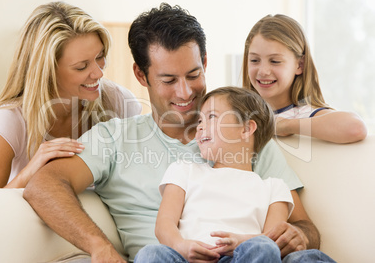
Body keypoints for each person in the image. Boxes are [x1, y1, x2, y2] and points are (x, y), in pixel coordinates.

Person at [24, 3, 320, 262]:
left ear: (205, 63)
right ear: (141, 75)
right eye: (168, 80)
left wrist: (298, 236)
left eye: (193, 75)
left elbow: (305, 226)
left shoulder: (243, 135)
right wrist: (98, 246)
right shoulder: (114, 138)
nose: (184, 92)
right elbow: (44, 185)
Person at [135, 87, 335, 262]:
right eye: (199, 121)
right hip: (188, 258)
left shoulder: (274, 188)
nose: (200, 126)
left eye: (212, 117)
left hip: (241, 257)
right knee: (150, 254)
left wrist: (240, 242)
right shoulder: (184, 170)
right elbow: (164, 224)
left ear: (247, 129)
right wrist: (181, 247)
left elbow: (272, 241)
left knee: (262, 248)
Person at [0, 1, 141, 188]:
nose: (99, 73)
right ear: (48, 71)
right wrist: (29, 173)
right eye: (82, 66)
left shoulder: (118, 101)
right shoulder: (11, 120)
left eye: (100, 56)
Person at [242, 14, 367, 144]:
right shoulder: (239, 114)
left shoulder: (304, 115)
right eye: (254, 60)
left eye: (275, 61)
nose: (263, 71)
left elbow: (356, 128)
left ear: (300, 65)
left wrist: (284, 126)